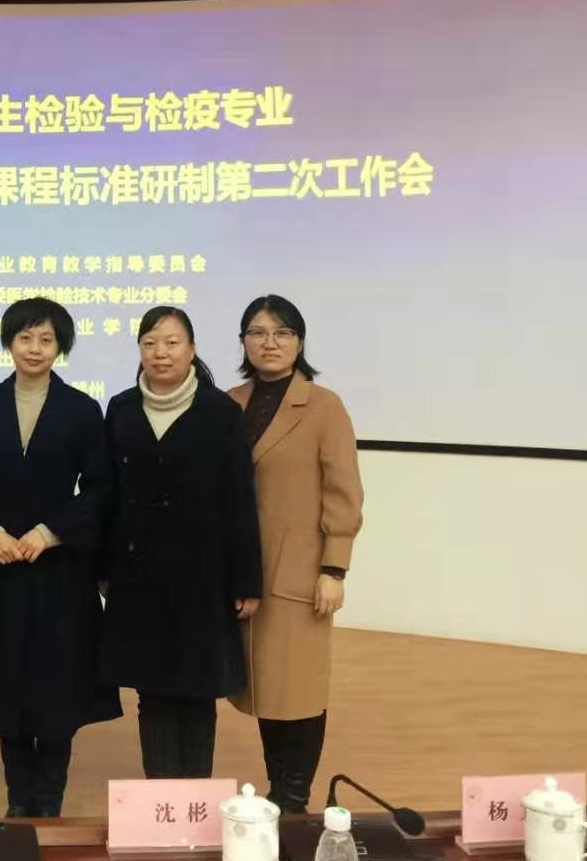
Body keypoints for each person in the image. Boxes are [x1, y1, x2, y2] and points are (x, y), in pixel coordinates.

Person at [0, 297, 121, 818]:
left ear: (60, 346)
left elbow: (100, 487)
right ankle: (19, 804)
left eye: (46, 339)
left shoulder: (81, 409)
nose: (35, 348)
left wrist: (51, 532)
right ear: (9, 343)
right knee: (7, 689)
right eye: (25, 338)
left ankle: (49, 804)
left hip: (61, 571)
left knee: (58, 691)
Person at [101, 307, 262, 779]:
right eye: (150, 343)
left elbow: (240, 500)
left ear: (192, 349)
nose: (161, 353)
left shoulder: (220, 413)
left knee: (197, 689)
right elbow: (108, 495)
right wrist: (104, 569)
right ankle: (160, 798)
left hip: (203, 576)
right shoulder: (122, 408)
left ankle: (193, 796)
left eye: (172, 342)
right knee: (151, 691)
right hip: (139, 576)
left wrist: (246, 580)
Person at [227, 294, 365, 813]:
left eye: (282, 332)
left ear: (300, 341)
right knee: (267, 687)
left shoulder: (324, 406)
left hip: (302, 573)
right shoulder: (230, 403)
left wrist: (334, 567)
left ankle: (295, 798)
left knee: (300, 690)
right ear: (243, 341)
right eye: (258, 332)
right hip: (246, 571)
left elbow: (344, 492)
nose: (270, 342)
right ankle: (277, 790)